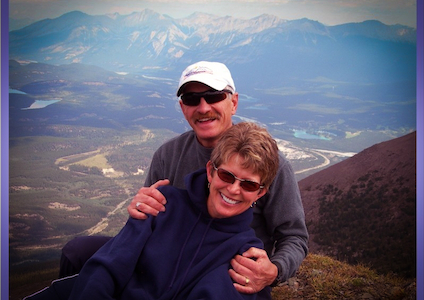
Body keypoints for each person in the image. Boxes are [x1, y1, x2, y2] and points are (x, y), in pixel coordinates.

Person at [60, 61, 309, 299]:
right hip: (164, 253)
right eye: (191, 99)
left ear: (233, 102)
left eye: (213, 96)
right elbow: (147, 216)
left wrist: (273, 271)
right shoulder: (169, 155)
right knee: (77, 252)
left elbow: (294, 236)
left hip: (223, 264)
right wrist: (140, 207)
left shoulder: (268, 164)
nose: (203, 107)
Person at [24, 122, 280, 300]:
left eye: (247, 184)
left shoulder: (246, 255)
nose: (234, 189)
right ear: (211, 172)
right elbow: (109, 265)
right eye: (227, 175)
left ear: (260, 193)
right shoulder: (161, 204)